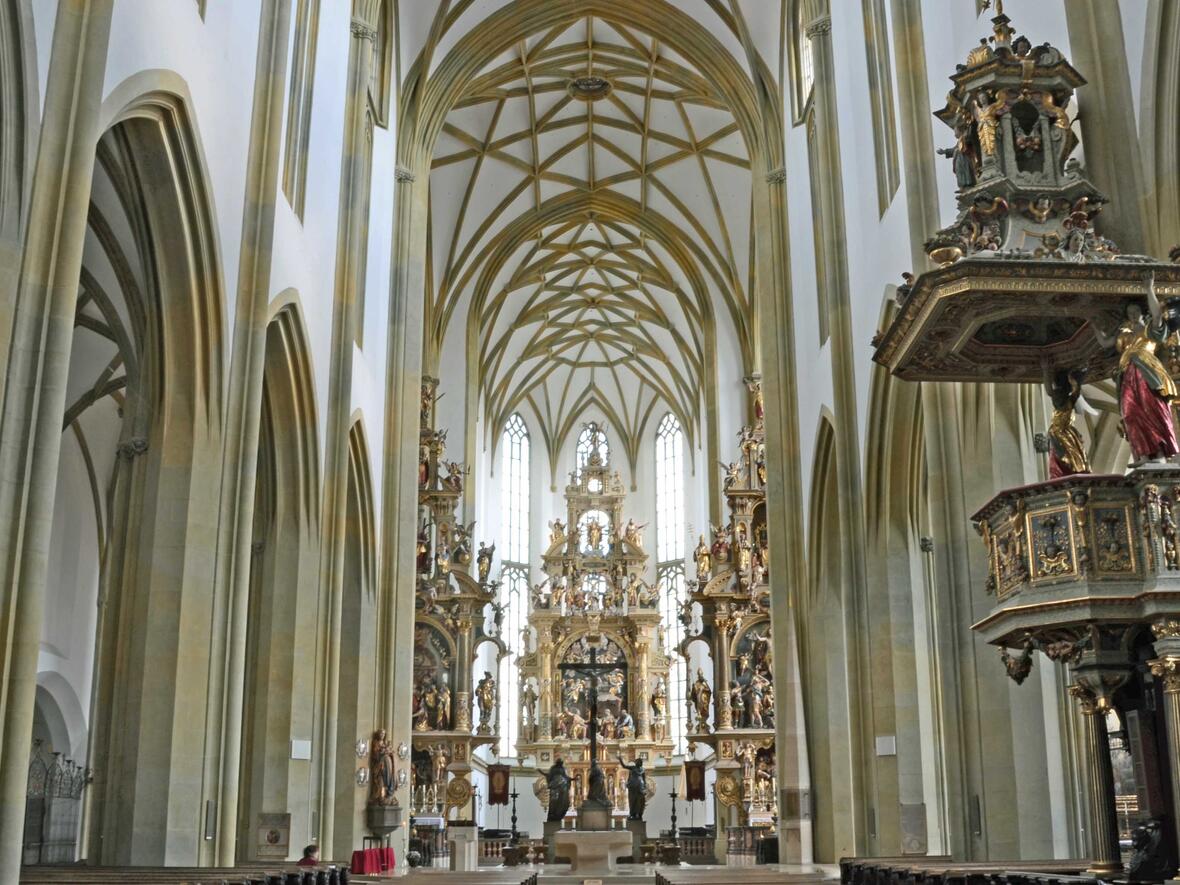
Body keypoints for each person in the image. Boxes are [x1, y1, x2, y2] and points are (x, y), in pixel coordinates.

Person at [617, 755, 647, 820]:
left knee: (634, 800)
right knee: (636, 801)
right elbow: (644, 779)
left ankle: (635, 814)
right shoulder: (641, 769)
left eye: (637, 762)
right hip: (637, 786)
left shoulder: (634, 768)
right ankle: (636, 814)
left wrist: (620, 759)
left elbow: (624, 766)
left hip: (635, 786)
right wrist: (644, 787)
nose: (636, 763)